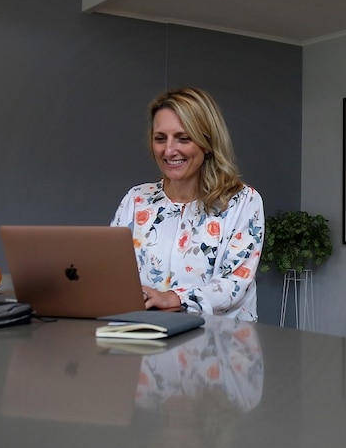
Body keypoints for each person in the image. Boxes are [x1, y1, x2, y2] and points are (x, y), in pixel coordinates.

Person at [111, 87, 265, 321]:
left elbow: (235, 283)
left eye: (183, 138)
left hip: (221, 346)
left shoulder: (243, 201)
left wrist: (174, 297)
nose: (169, 150)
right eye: (160, 138)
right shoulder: (137, 199)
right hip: (145, 340)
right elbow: (112, 270)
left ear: (207, 142)